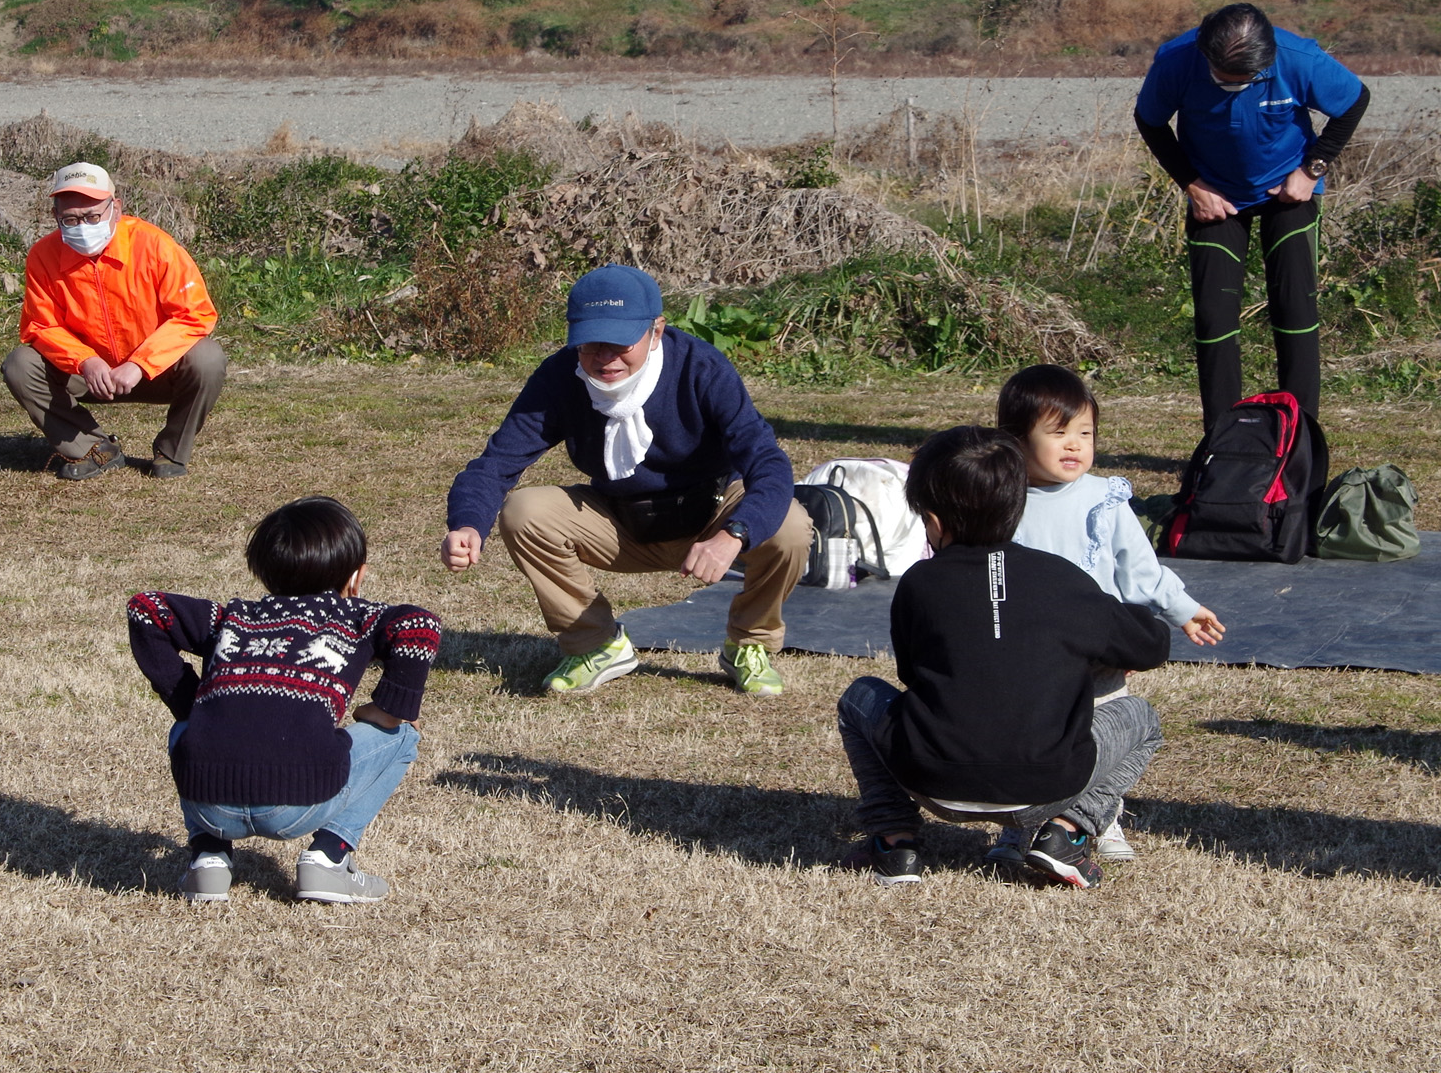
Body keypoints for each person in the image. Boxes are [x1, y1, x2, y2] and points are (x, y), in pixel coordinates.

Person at [442, 264, 813, 698]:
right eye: (590, 343)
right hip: (619, 519)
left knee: (788, 524)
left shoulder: (701, 367)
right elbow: (496, 463)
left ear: (657, 330)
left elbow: (768, 462)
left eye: (620, 342)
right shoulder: (561, 377)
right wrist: (467, 522)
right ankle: (595, 645)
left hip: (710, 512)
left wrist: (735, 533)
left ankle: (749, 643)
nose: (605, 358)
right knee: (525, 511)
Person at [837, 425, 1172, 889]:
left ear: (933, 520)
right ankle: (1068, 830)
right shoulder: (1063, 580)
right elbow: (1151, 645)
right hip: (1048, 788)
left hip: (932, 779)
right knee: (1140, 716)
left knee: (860, 697)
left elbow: (911, 674)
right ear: (1019, 504)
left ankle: (894, 842)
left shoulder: (919, 583)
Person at [127, 496, 442, 904]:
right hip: (300, 805)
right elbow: (420, 624)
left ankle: (207, 858)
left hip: (210, 807)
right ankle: (329, 860)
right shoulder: (355, 618)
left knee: (187, 730)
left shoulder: (232, 618)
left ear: (264, 572)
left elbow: (146, 608)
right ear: (356, 576)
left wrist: (193, 703)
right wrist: (388, 709)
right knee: (403, 737)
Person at [994, 363, 1225, 866]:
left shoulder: (1103, 499)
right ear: (1016, 439)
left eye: (1085, 433)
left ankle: (1100, 817)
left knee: (1107, 731)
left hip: (1097, 649)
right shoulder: (1001, 500)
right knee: (1032, 736)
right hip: (1027, 653)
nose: (1075, 445)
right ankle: (1020, 826)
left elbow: (1140, 570)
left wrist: (1182, 609)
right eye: (1058, 433)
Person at [1135, 2, 1372, 430]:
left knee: (1294, 306)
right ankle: (1222, 443)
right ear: (1205, 56)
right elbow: (1149, 120)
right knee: (1214, 317)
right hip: (1216, 195)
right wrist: (1191, 183)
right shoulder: (1175, 61)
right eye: (1223, 82)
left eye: (1245, 82)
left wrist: (1311, 170)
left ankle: (1299, 443)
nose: (1233, 89)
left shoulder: (1299, 58)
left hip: (1288, 191)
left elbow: (1354, 102)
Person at [2, 161, 227, 481]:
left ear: (116, 209)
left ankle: (171, 451)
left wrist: (139, 364)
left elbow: (195, 315)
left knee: (208, 358)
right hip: (86, 375)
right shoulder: (42, 254)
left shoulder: (155, 245)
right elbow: (40, 325)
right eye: (71, 218)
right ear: (55, 217)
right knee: (20, 364)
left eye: (93, 215)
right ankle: (94, 449)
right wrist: (86, 362)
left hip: (154, 372)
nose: (83, 225)